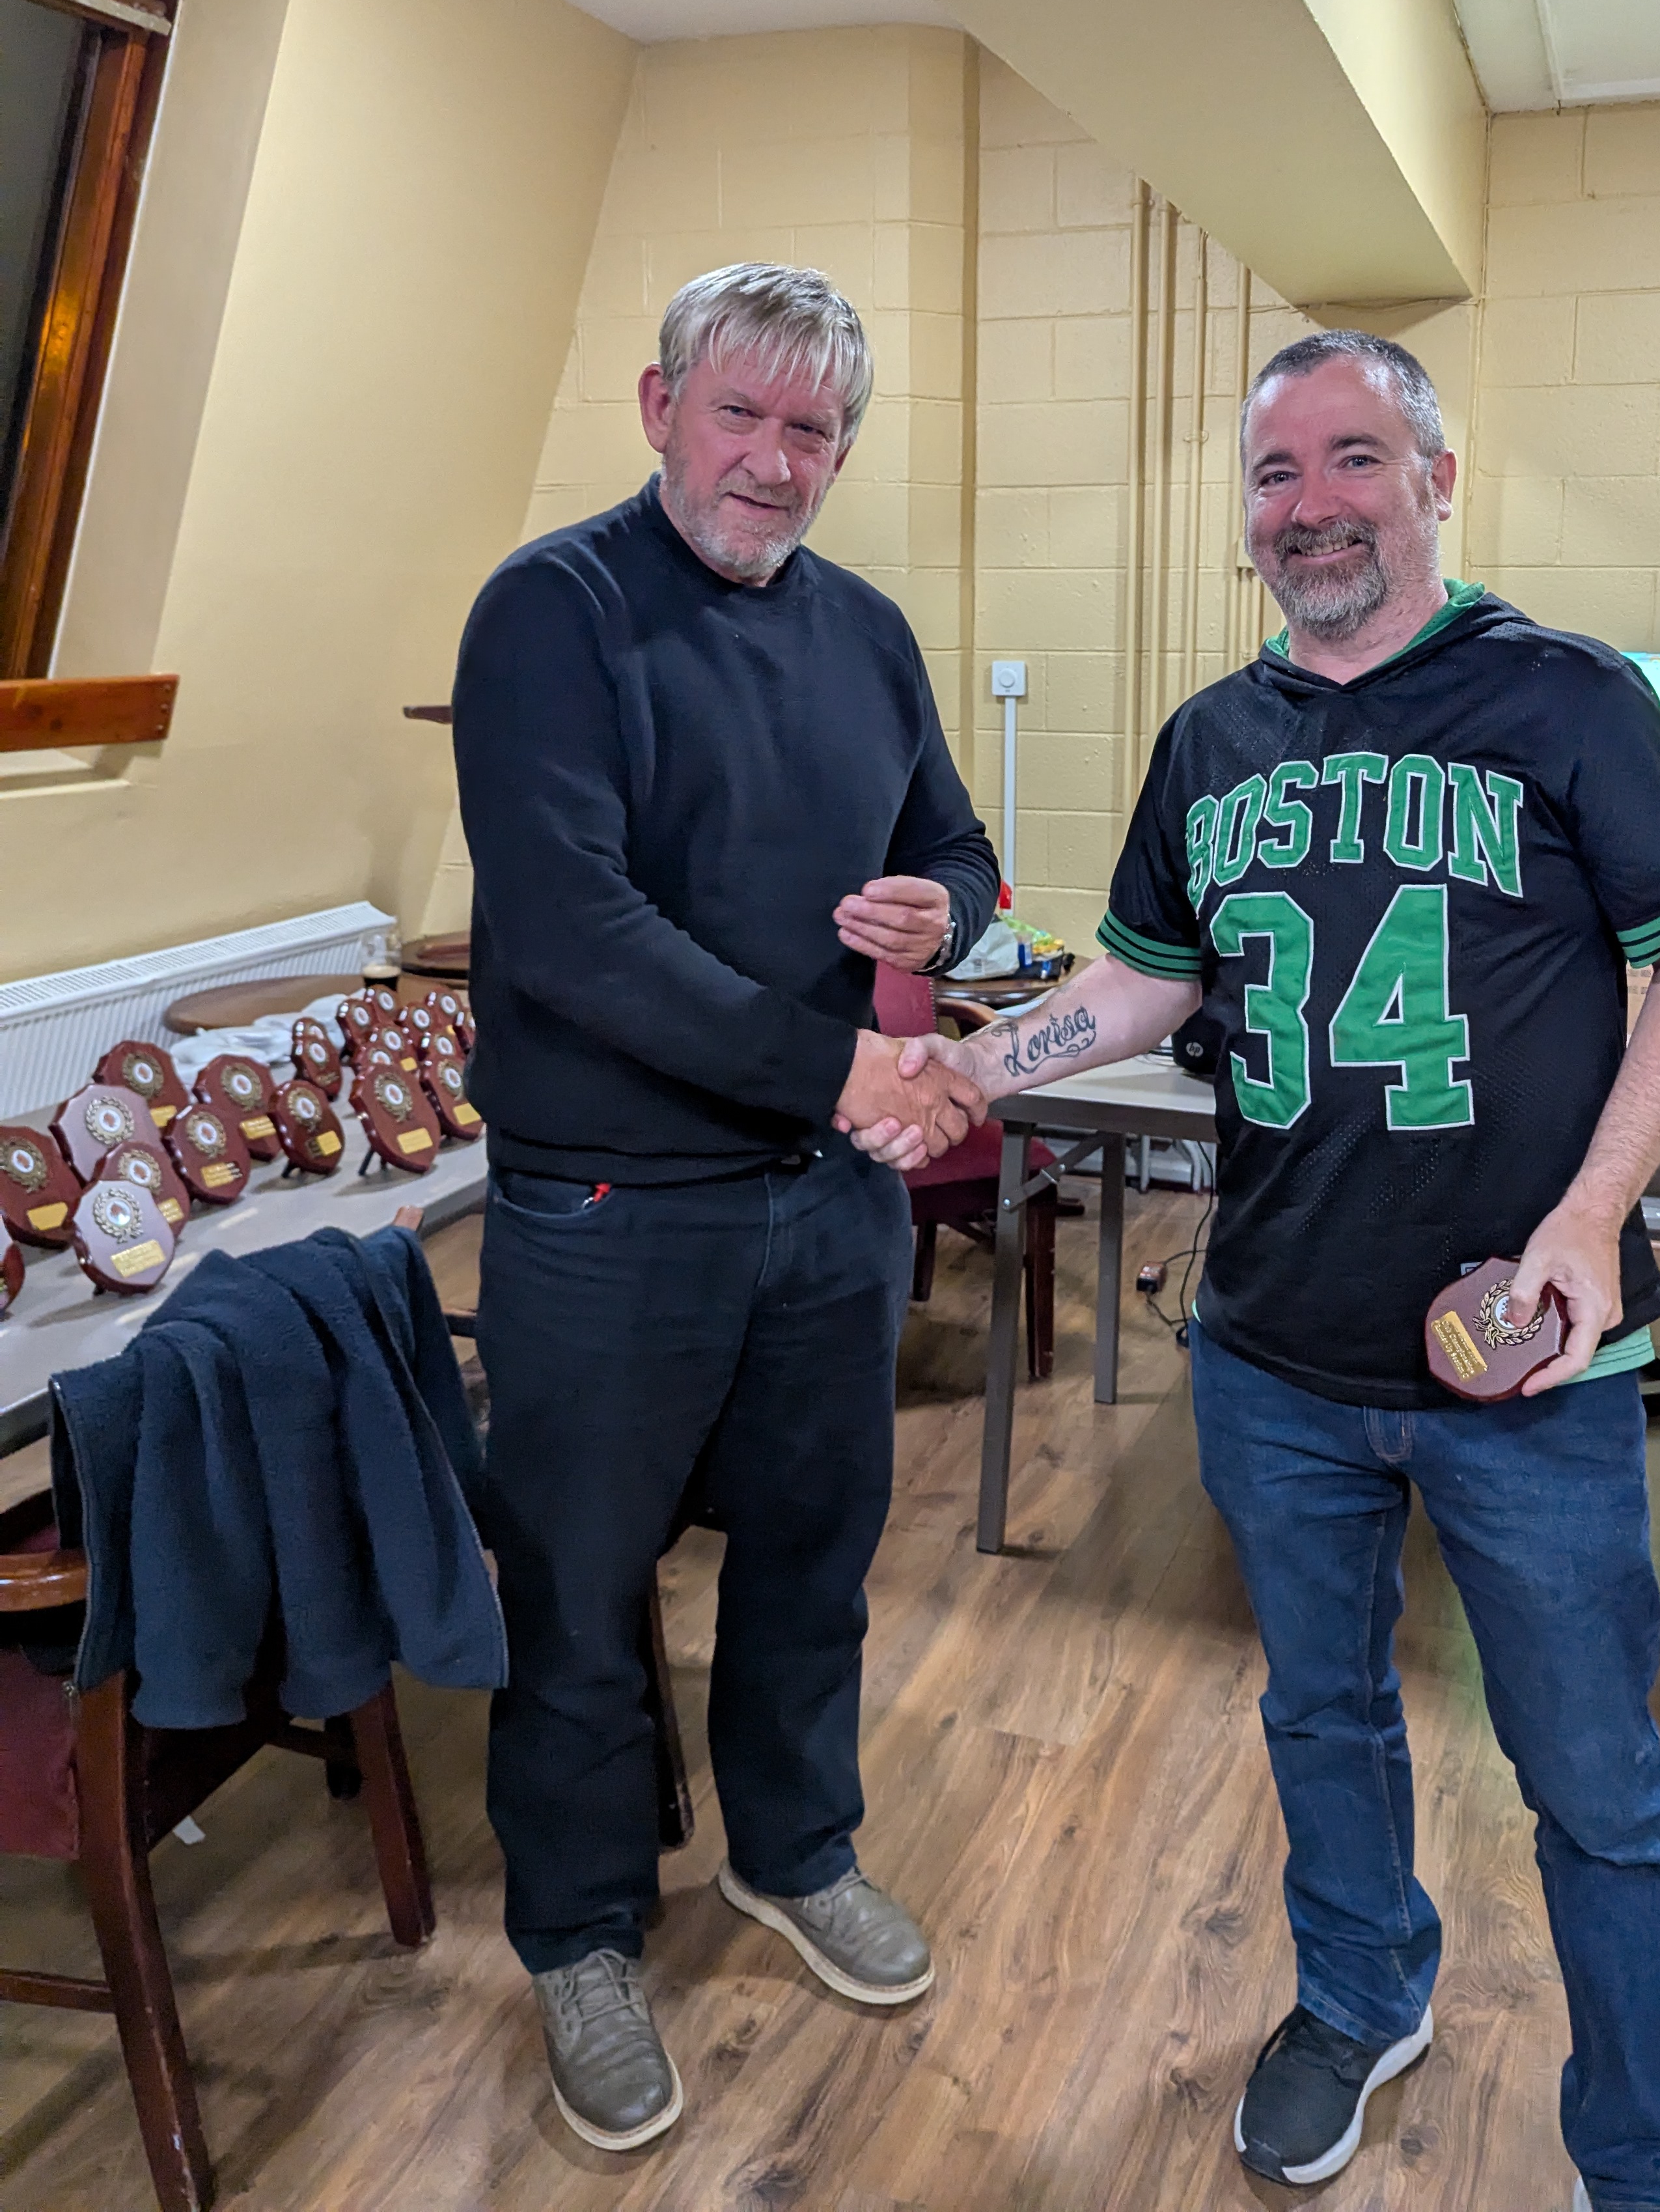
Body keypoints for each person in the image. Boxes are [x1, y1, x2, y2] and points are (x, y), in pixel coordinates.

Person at [855, 329, 1660, 2212]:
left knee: (1596, 1789)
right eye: (1276, 473)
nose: (1313, 505)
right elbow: (1144, 979)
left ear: (1437, 481)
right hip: (1272, 1353)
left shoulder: (1566, 696)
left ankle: (1649, 2161)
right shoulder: (1212, 738)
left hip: (1525, 1364)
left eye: (1355, 460)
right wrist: (976, 1069)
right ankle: (1360, 1997)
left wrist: (1593, 1214)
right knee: (1320, 1716)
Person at [452, 262, 997, 2152]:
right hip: (611, 1209)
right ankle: (580, 1934)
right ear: (659, 406)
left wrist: (944, 914)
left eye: (813, 430)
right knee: (580, 1590)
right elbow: (576, 932)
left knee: (812, 1561)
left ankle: (794, 1848)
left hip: (826, 1212)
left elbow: (959, 849)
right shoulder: (555, 611)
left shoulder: (870, 634)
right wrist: (839, 1066)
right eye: (740, 414)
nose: (774, 461)